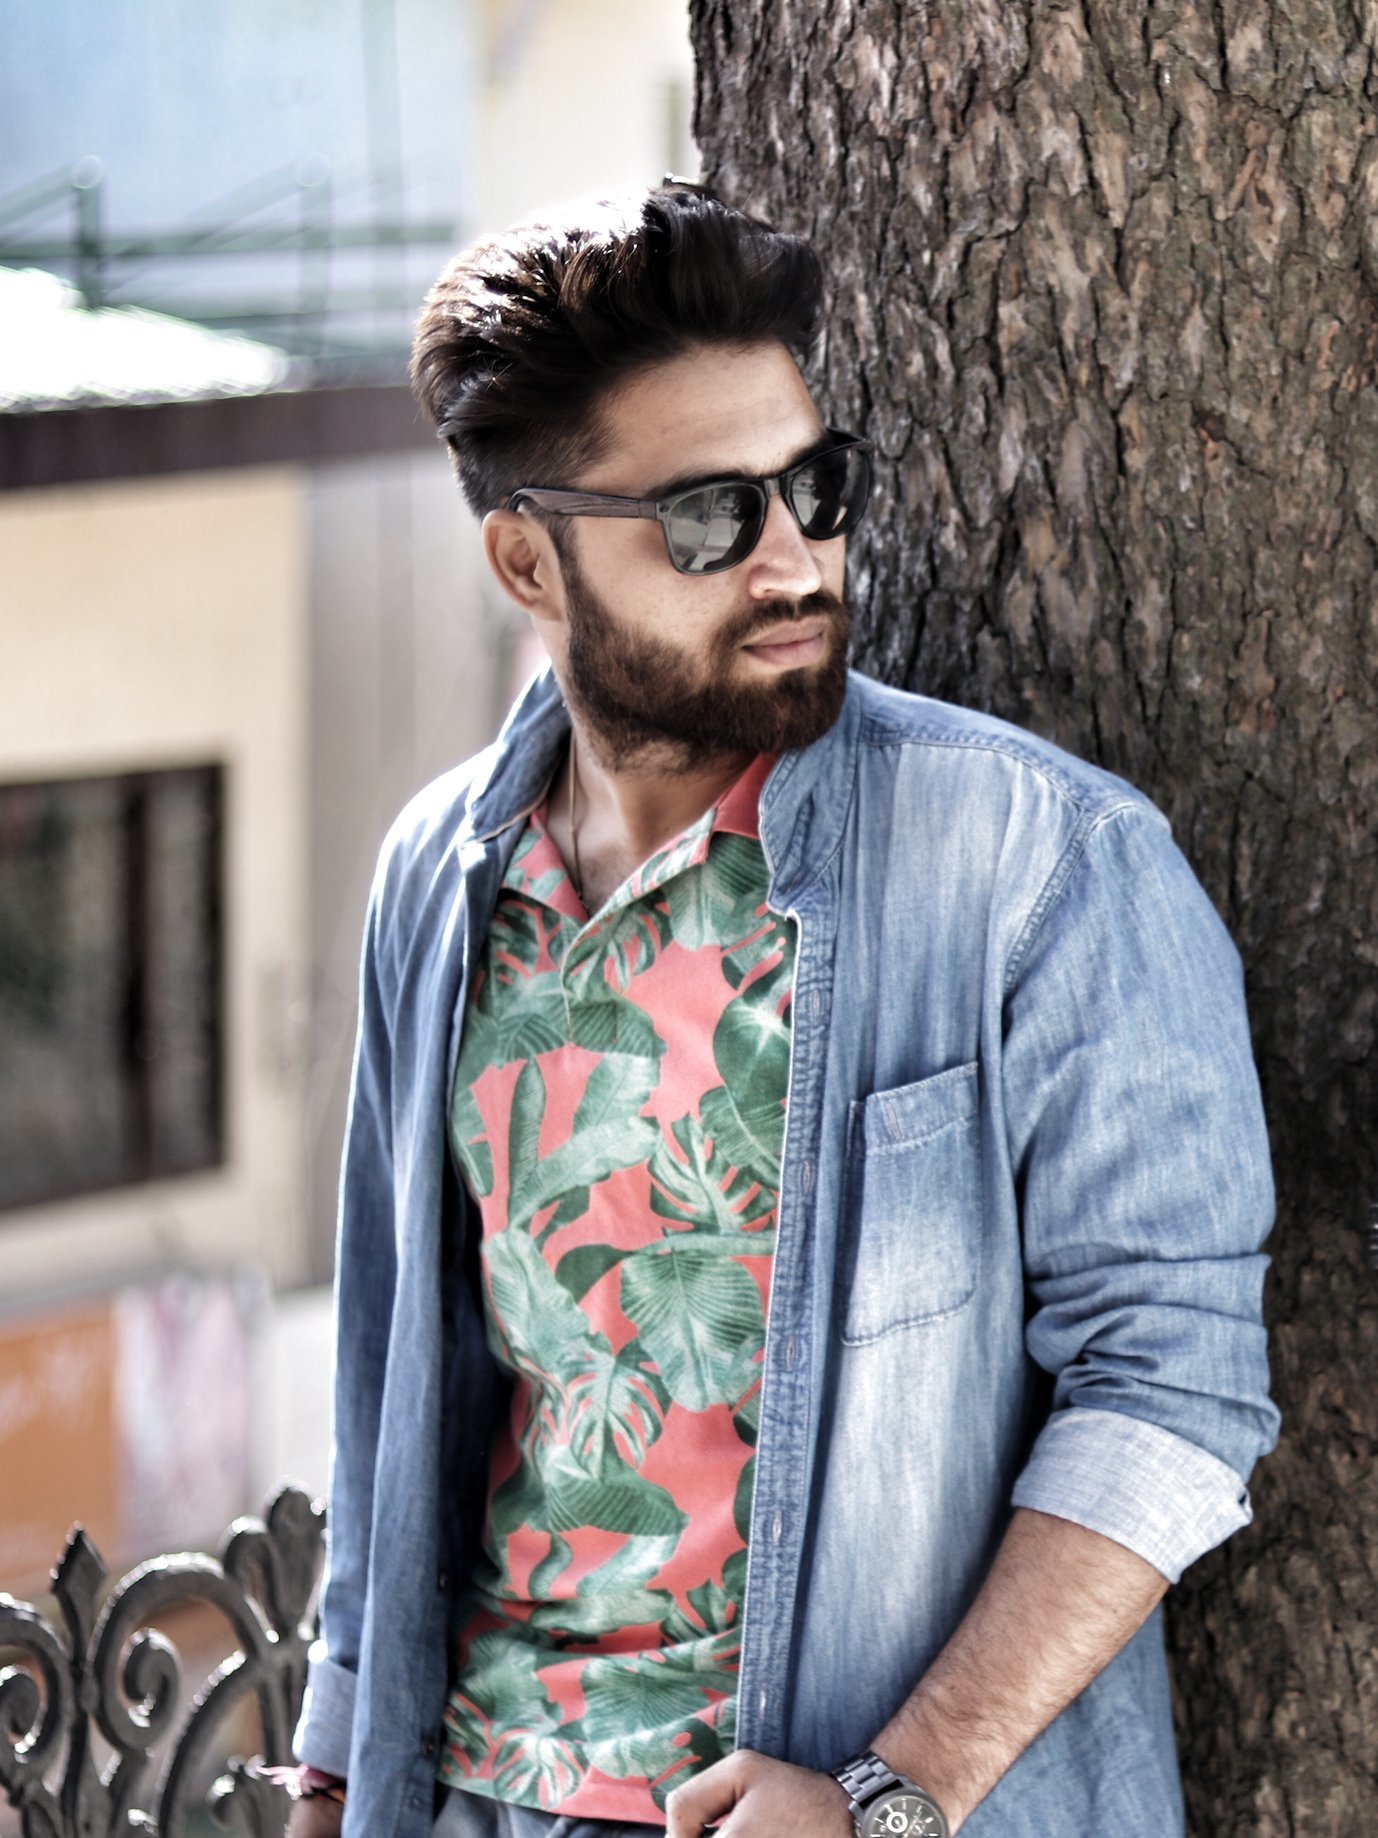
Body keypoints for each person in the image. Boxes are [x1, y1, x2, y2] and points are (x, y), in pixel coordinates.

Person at [288, 184, 1278, 1838]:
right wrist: (333, 1768)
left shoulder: (1039, 861)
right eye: (704, 518)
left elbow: (1172, 1388)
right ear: (527, 557)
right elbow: (393, 1361)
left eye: (812, 489)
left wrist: (891, 1794)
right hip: (475, 1791)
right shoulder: (440, 874)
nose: (791, 561)